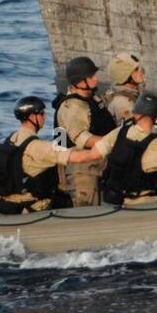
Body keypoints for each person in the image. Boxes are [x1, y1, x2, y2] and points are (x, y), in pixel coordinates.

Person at [0, 96, 101, 214]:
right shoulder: (38, 147)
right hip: (32, 207)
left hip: (9, 202)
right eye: (41, 114)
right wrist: (106, 144)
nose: (45, 117)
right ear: (32, 117)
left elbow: (59, 144)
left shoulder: (12, 139)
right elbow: (79, 157)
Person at [92, 93, 157, 206]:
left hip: (115, 202)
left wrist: (63, 154)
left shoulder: (119, 133)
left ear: (136, 114)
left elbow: (93, 154)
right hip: (148, 202)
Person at [54, 55, 116, 206]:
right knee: (87, 212)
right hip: (81, 173)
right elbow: (82, 138)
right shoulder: (73, 107)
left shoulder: (91, 99)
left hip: (96, 166)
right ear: (80, 82)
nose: (96, 79)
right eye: (91, 76)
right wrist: (114, 141)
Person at [104, 52, 144, 124]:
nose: (141, 71)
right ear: (125, 76)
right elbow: (130, 132)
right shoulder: (124, 103)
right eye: (136, 69)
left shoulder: (127, 92)